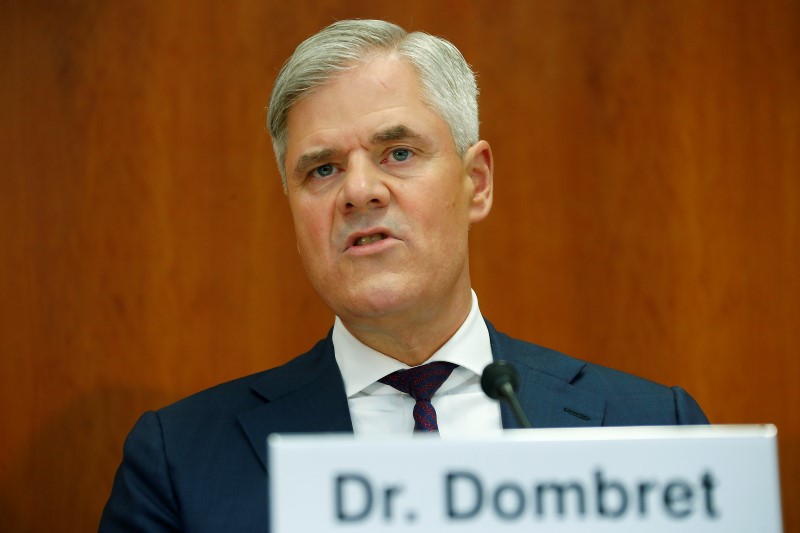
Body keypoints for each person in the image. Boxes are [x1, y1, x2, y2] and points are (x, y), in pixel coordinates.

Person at [99, 19, 707, 532]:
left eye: (398, 153)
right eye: (322, 169)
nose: (359, 190)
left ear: (478, 182)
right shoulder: (180, 463)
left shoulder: (654, 430)